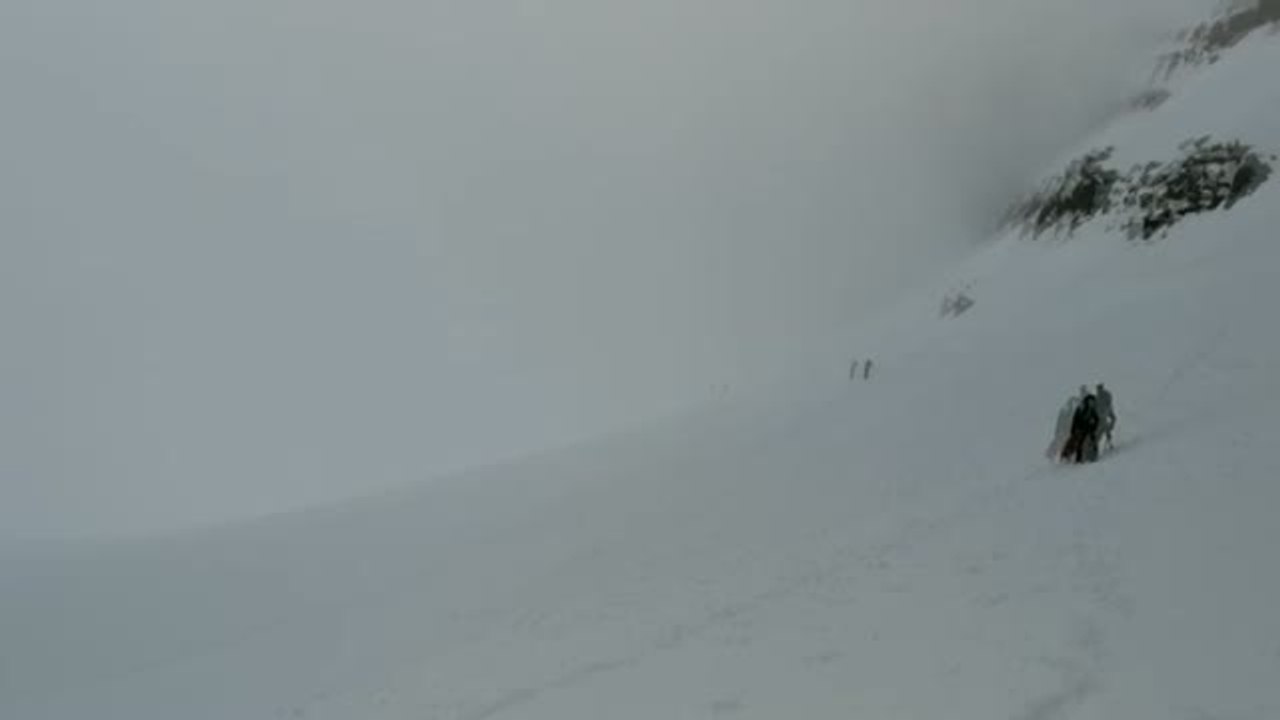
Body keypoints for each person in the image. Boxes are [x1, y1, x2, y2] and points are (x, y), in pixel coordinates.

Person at [1068, 395, 1102, 463]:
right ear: (1087, 401)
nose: (1092, 403)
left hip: (1089, 429)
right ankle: (1078, 459)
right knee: (1079, 444)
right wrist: (1073, 430)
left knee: (1093, 441)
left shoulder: (1092, 410)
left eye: (1092, 402)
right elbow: (1075, 420)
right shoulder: (1080, 408)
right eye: (1090, 402)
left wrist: (1093, 427)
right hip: (1081, 429)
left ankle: (1094, 456)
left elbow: (1097, 419)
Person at [1046, 393, 1079, 461]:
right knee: (1059, 443)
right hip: (1064, 430)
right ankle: (1051, 455)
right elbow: (1059, 421)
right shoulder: (1064, 411)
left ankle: (1068, 457)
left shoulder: (1076, 412)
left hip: (1069, 431)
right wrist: (1057, 431)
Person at [1094, 383, 1116, 450]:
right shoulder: (1097, 397)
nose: (1098, 390)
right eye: (1098, 388)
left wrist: (1111, 426)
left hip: (1102, 418)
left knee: (1104, 431)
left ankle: (1110, 444)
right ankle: (1096, 447)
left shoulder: (1104, 396)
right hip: (1100, 419)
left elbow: (1109, 405)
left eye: (1099, 388)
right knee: (1099, 434)